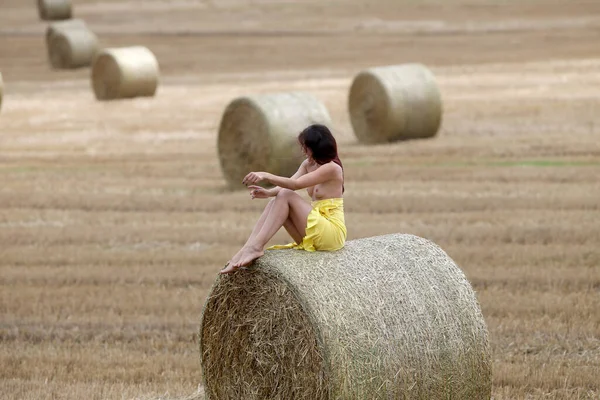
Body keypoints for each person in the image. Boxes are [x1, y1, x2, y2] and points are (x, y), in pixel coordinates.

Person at [220, 124, 346, 274]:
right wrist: (269, 193)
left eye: (305, 147)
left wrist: (266, 175)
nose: (302, 151)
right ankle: (247, 249)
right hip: (315, 230)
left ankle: (256, 247)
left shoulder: (332, 168)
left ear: (315, 146)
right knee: (275, 202)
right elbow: (289, 183)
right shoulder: (308, 164)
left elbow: (294, 185)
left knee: (286, 195)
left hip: (331, 232)